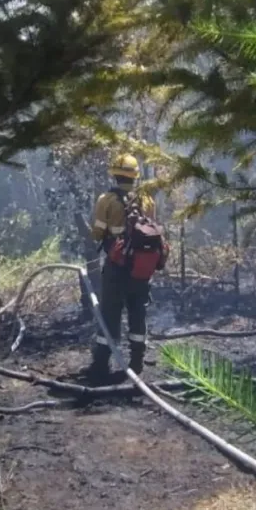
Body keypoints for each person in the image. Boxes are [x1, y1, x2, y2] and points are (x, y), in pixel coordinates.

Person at [88, 152, 159, 380]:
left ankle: (101, 363)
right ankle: (137, 361)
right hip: (141, 268)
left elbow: (98, 233)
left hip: (116, 267)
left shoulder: (106, 200)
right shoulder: (147, 200)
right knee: (138, 311)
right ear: (135, 176)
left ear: (115, 176)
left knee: (110, 312)